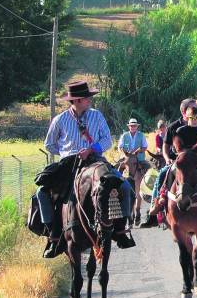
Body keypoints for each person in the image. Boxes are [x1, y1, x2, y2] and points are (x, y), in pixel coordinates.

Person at [40, 81, 135, 257]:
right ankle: (53, 237)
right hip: (69, 163)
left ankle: (121, 232)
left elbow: (107, 139)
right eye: (86, 98)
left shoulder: (97, 116)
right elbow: (49, 144)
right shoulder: (60, 120)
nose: (90, 100)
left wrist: (92, 149)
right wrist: (67, 153)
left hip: (95, 160)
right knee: (42, 192)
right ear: (76, 101)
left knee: (126, 187)